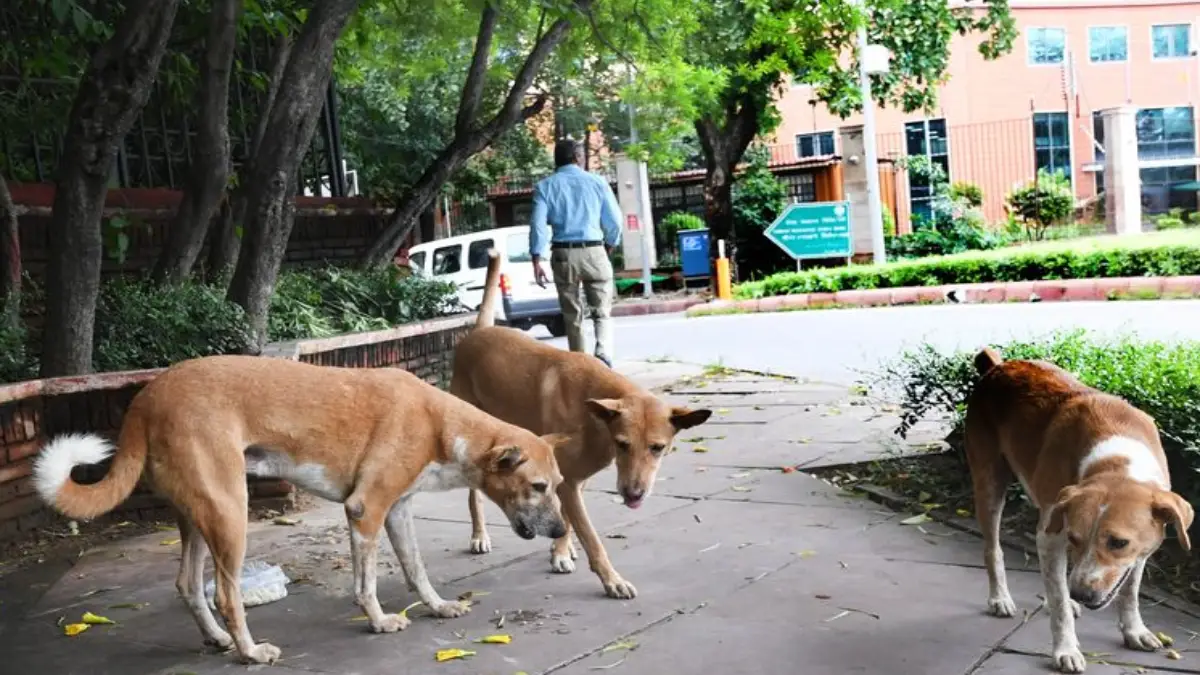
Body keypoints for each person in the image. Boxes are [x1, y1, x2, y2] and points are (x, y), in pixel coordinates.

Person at [529, 139, 622, 367]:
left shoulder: (545, 187)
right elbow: (614, 221)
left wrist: (536, 258)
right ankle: (603, 351)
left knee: (572, 314)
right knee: (602, 311)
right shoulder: (597, 182)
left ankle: (580, 363)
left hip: (563, 255)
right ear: (577, 157)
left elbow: (538, 226)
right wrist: (609, 244)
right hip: (594, 250)